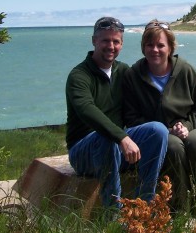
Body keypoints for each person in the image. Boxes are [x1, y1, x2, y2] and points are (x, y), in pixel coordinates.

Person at [65, 17, 168, 212]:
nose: (110, 46)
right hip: (83, 153)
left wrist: (177, 123)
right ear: (94, 40)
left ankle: (143, 206)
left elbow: (144, 100)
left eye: (116, 41)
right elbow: (87, 109)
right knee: (106, 138)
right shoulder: (79, 76)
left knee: (158, 130)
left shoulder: (123, 71)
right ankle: (113, 214)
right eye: (105, 40)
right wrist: (122, 137)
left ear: (121, 44)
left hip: (116, 147)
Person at [123, 19, 196, 214]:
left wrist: (186, 126)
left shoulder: (186, 71)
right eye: (149, 45)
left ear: (171, 47)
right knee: (172, 145)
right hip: (157, 133)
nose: (154, 50)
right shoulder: (133, 75)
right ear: (143, 48)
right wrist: (163, 129)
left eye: (160, 45)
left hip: (192, 127)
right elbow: (130, 117)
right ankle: (178, 206)